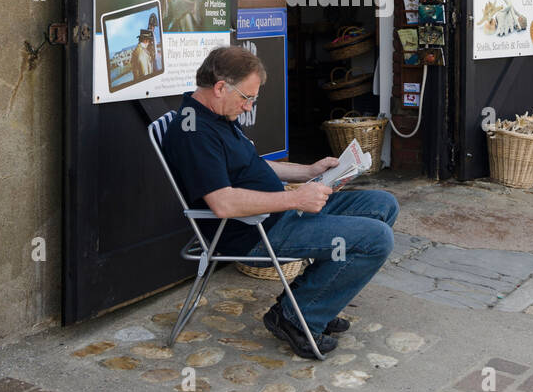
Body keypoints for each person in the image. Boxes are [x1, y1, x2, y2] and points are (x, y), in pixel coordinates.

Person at [162, 46, 398, 359]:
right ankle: (297, 318)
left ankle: (309, 302)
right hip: (254, 232)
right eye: (246, 97)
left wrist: (309, 171)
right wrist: (293, 198)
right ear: (220, 87)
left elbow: (252, 165)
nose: (248, 107)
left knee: (384, 205)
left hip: (279, 213)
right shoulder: (195, 132)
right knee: (377, 239)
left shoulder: (216, 114)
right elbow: (223, 204)